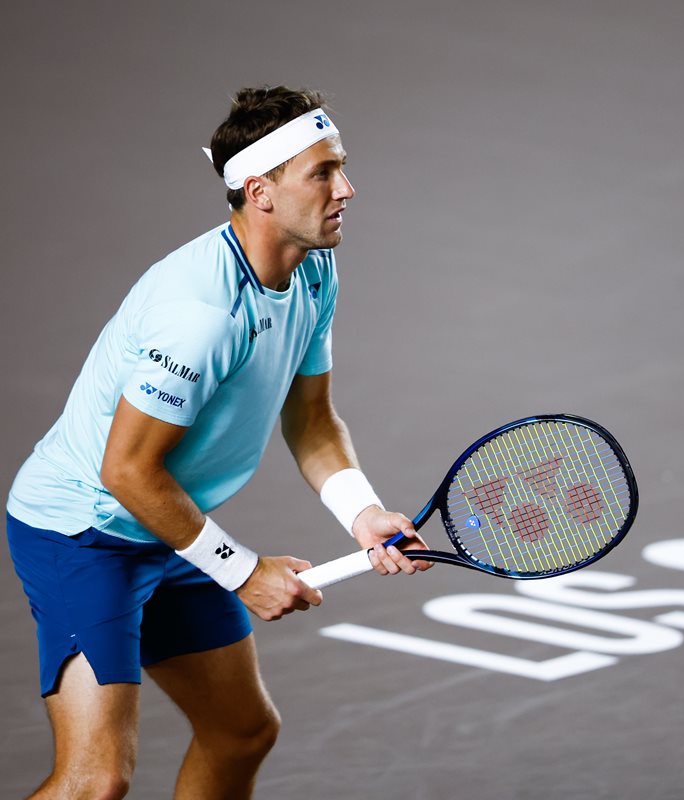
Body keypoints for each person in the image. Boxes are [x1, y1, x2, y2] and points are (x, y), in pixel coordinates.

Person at [5, 85, 431, 799]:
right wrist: (241, 571)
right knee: (96, 781)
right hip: (84, 532)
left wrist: (362, 513)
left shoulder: (313, 267)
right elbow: (126, 471)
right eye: (323, 173)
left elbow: (311, 418)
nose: (346, 189)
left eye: (341, 167)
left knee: (240, 732)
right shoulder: (199, 314)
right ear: (260, 192)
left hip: (169, 525)